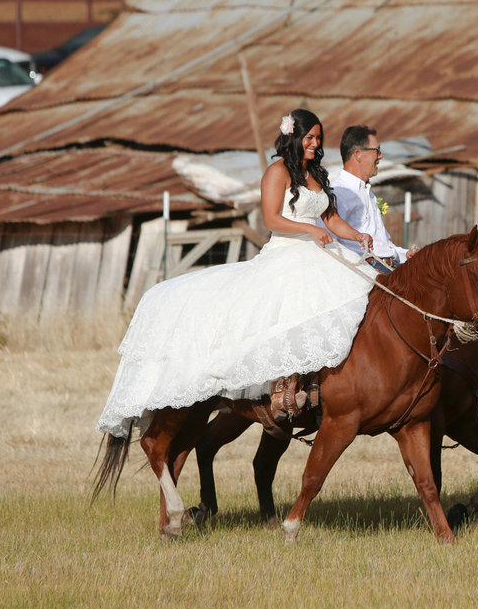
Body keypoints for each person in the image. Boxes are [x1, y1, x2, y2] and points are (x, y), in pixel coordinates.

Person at [96, 108, 378, 437]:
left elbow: (330, 218)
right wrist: (308, 230)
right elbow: (271, 219)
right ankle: (281, 388)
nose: (315, 143)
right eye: (309, 137)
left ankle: (329, 384)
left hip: (319, 250)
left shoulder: (318, 175)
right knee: (292, 305)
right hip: (288, 252)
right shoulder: (278, 172)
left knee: (358, 291)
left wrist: (355, 235)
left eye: (318, 138)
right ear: (293, 137)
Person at [327, 125, 409, 273]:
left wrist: (405, 255)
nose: (381, 156)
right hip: (365, 272)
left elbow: (383, 246)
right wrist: (367, 270)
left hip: (390, 268)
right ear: (358, 154)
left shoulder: (369, 193)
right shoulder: (337, 192)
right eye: (376, 151)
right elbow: (330, 246)